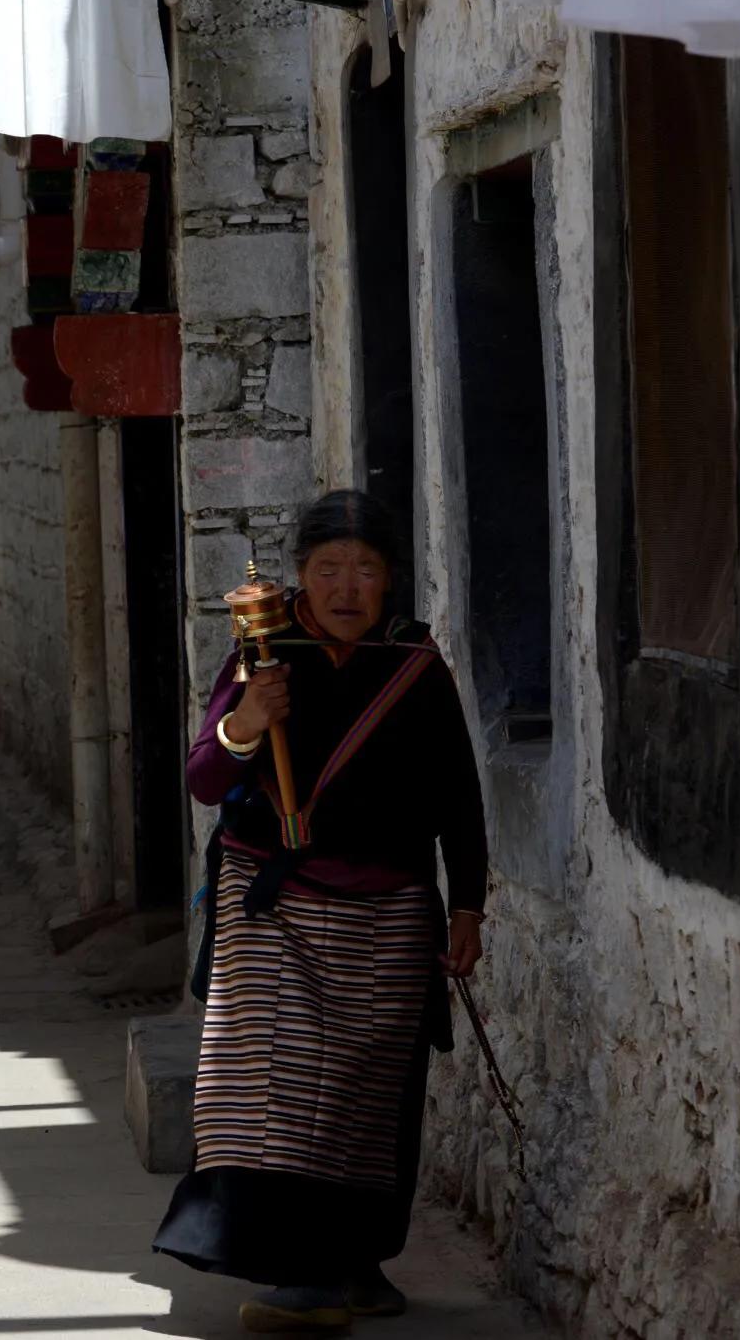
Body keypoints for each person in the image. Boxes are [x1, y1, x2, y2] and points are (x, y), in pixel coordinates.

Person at [152, 490, 489, 1335]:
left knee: (365, 1098)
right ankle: (293, 1271)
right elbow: (202, 781)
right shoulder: (262, 657)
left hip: (389, 911)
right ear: (302, 576)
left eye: (366, 570)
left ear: (389, 581)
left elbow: (458, 793)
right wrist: (244, 725)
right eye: (329, 569)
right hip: (275, 904)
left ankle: (354, 1262)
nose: (347, 588)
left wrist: (468, 905)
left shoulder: (414, 666)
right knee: (267, 1094)